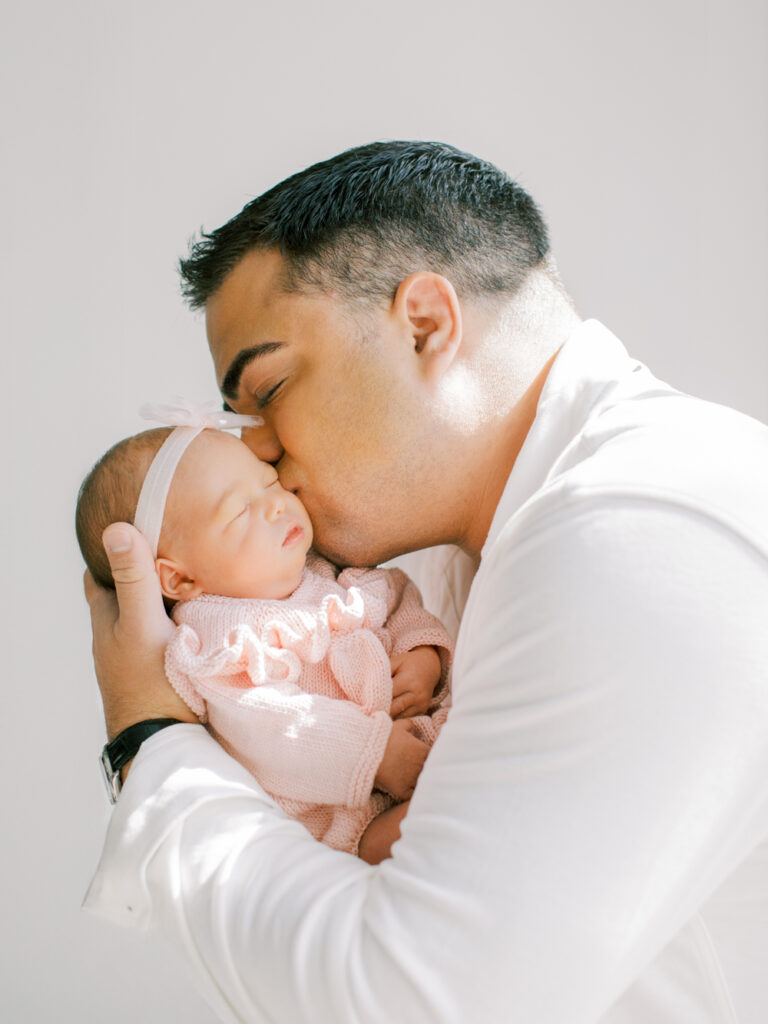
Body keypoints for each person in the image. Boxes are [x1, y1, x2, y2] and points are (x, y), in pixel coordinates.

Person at [84, 141, 768, 1023]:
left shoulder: (632, 531)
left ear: (424, 325)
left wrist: (151, 735)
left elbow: (410, 1003)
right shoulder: (481, 559)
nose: (253, 448)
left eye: (269, 388)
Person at [76, 406, 452, 863]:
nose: (277, 502)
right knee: (426, 834)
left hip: (424, 731)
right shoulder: (216, 642)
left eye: (268, 482)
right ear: (179, 580)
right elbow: (274, 726)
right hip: (344, 811)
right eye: (239, 511)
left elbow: (391, 597)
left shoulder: (320, 568)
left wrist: (423, 654)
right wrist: (375, 754)